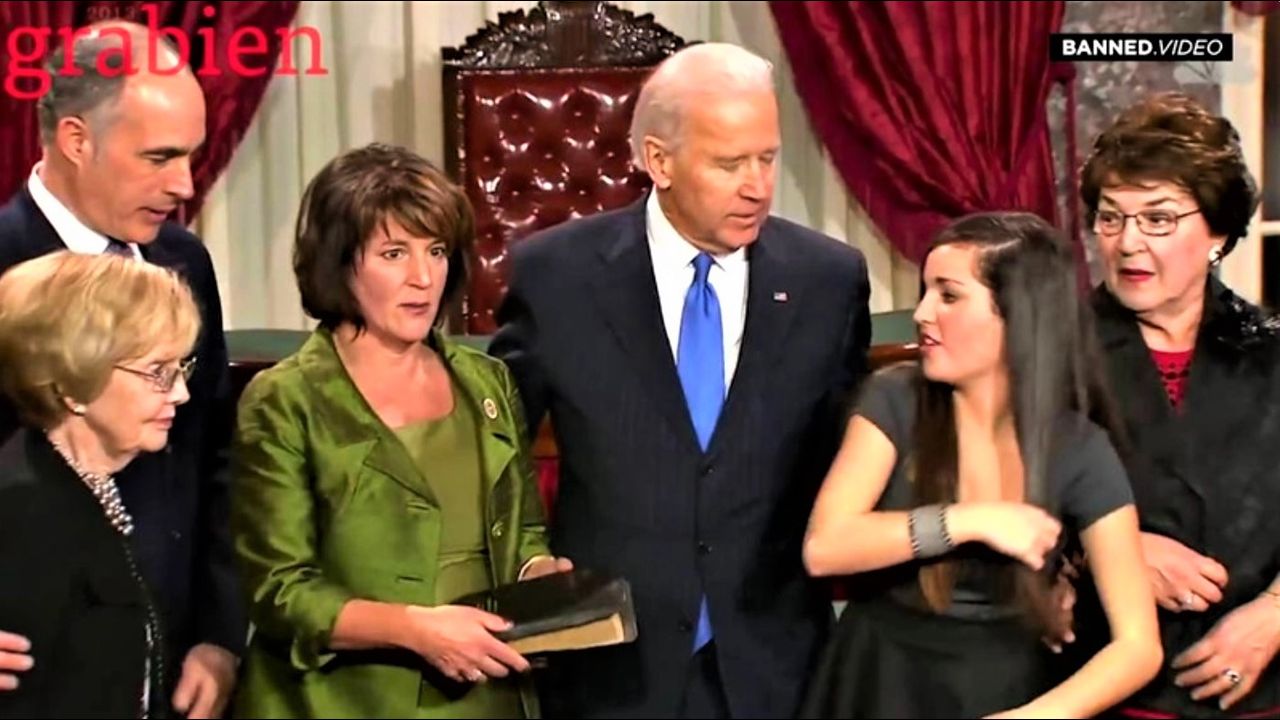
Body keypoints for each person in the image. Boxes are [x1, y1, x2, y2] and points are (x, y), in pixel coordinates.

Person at [488, 42, 872, 719]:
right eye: (729, 163)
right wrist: (527, 566)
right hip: (611, 668)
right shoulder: (556, 277)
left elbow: (852, 460)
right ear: (658, 161)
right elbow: (495, 452)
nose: (757, 186)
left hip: (775, 668)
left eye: (767, 158)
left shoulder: (829, 281)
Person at [229, 142, 572, 719]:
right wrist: (416, 630)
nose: (422, 277)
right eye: (394, 253)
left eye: (436, 251)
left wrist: (539, 577)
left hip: (489, 694)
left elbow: (524, 534)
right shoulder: (285, 399)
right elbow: (281, 591)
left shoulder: (486, 381)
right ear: (340, 264)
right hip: (341, 702)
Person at [797, 211, 1163, 719]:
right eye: (926, 291)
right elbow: (825, 548)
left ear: (1018, 314)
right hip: (878, 680)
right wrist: (967, 521)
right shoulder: (895, 398)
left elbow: (1138, 646)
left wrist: (1036, 718)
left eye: (948, 295)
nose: (922, 312)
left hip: (1007, 687)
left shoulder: (1078, 447)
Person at [0, 21, 244, 719]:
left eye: (192, 156)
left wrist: (220, 636)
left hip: (175, 670)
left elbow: (215, 454)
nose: (184, 184)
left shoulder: (184, 261)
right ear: (77, 140)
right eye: (159, 157)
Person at [1066, 91, 1280, 719]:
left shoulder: (1272, 352)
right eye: (1111, 218)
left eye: (1158, 219)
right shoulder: (1049, 353)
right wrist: (1110, 548)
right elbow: (998, 500)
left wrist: (1275, 614)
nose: (1128, 242)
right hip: (1104, 690)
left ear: (1217, 232)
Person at [0, 251, 202, 718]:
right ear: (73, 385)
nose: (181, 392)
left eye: (181, 368)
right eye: (158, 372)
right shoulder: (26, 513)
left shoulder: (82, 481)